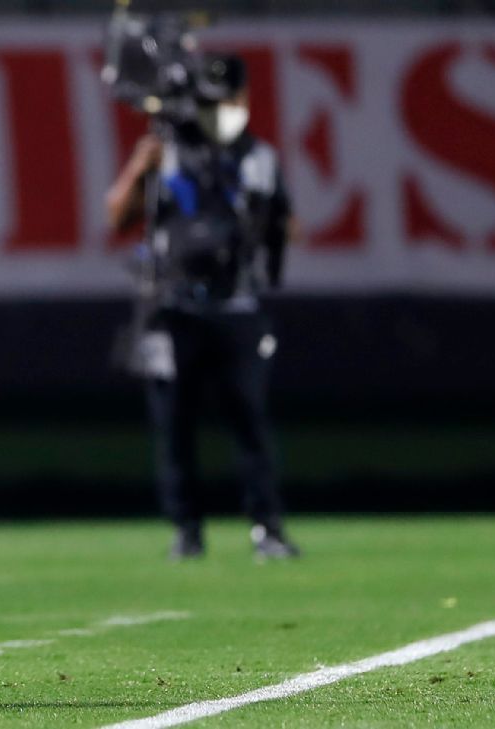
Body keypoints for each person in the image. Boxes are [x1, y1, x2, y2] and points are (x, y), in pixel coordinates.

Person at [105, 54, 301, 561]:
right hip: (172, 310)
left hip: (237, 304)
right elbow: (117, 217)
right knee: (174, 426)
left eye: (228, 101)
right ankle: (187, 530)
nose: (220, 111)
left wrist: (263, 225)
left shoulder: (260, 158)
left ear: (245, 100)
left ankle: (267, 527)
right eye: (212, 102)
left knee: (250, 421)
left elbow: (288, 225)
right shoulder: (166, 152)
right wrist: (137, 168)